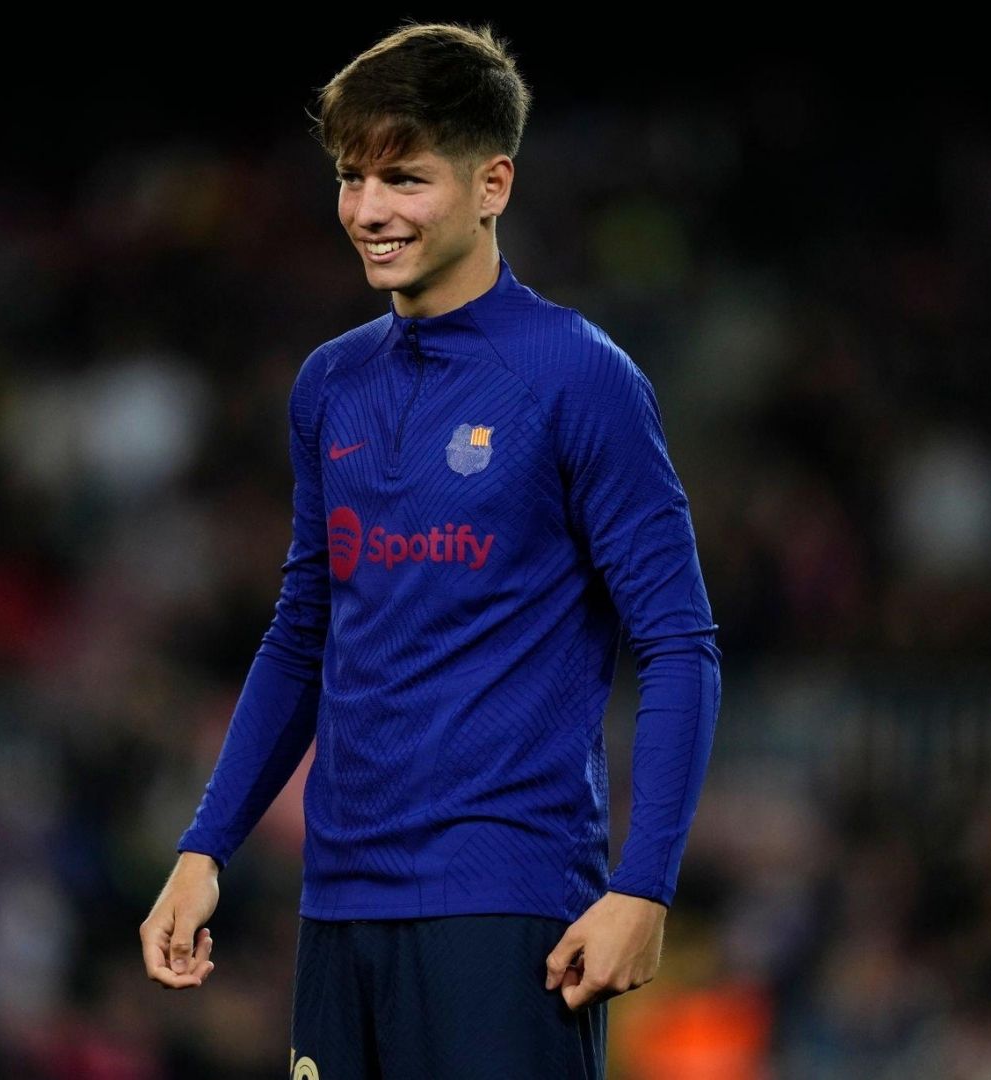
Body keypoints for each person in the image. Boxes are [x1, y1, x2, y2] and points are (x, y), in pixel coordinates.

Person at [140, 21, 722, 1078]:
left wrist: (643, 886)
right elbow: (302, 636)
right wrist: (204, 847)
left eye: (404, 178)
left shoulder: (578, 377)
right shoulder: (329, 385)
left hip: (506, 906)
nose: (368, 210)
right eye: (351, 177)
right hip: (340, 904)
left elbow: (679, 643)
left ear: (492, 183)